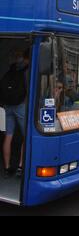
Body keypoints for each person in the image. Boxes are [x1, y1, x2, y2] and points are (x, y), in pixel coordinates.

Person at [0, 48, 30, 178]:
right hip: (21, 106)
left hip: (7, 105)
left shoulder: (11, 69)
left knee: (8, 136)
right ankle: (20, 166)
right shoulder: (28, 69)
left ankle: (7, 168)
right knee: (26, 136)